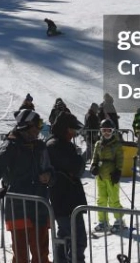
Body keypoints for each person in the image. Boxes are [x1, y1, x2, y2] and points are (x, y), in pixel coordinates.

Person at [0, 109, 54, 263]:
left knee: (41, 252)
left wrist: (49, 176)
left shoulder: (40, 146)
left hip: (39, 204)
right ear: (26, 126)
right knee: (21, 254)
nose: (39, 130)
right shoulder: (11, 145)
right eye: (36, 125)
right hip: (18, 206)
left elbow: (49, 169)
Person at [47, 112, 88, 263]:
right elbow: (76, 167)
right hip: (63, 200)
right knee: (77, 239)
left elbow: (76, 169)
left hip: (69, 199)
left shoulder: (64, 144)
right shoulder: (56, 145)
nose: (74, 134)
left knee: (65, 236)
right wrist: (78, 160)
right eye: (73, 130)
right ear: (65, 129)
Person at [90, 118, 125, 232]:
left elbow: (120, 159)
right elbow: (95, 157)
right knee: (101, 199)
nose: (106, 133)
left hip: (111, 175)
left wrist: (118, 171)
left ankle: (119, 220)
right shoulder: (98, 144)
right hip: (100, 176)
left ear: (113, 131)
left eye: (108, 131)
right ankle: (103, 221)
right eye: (104, 130)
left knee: (113, 199)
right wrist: (94, 165)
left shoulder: (116, 145)